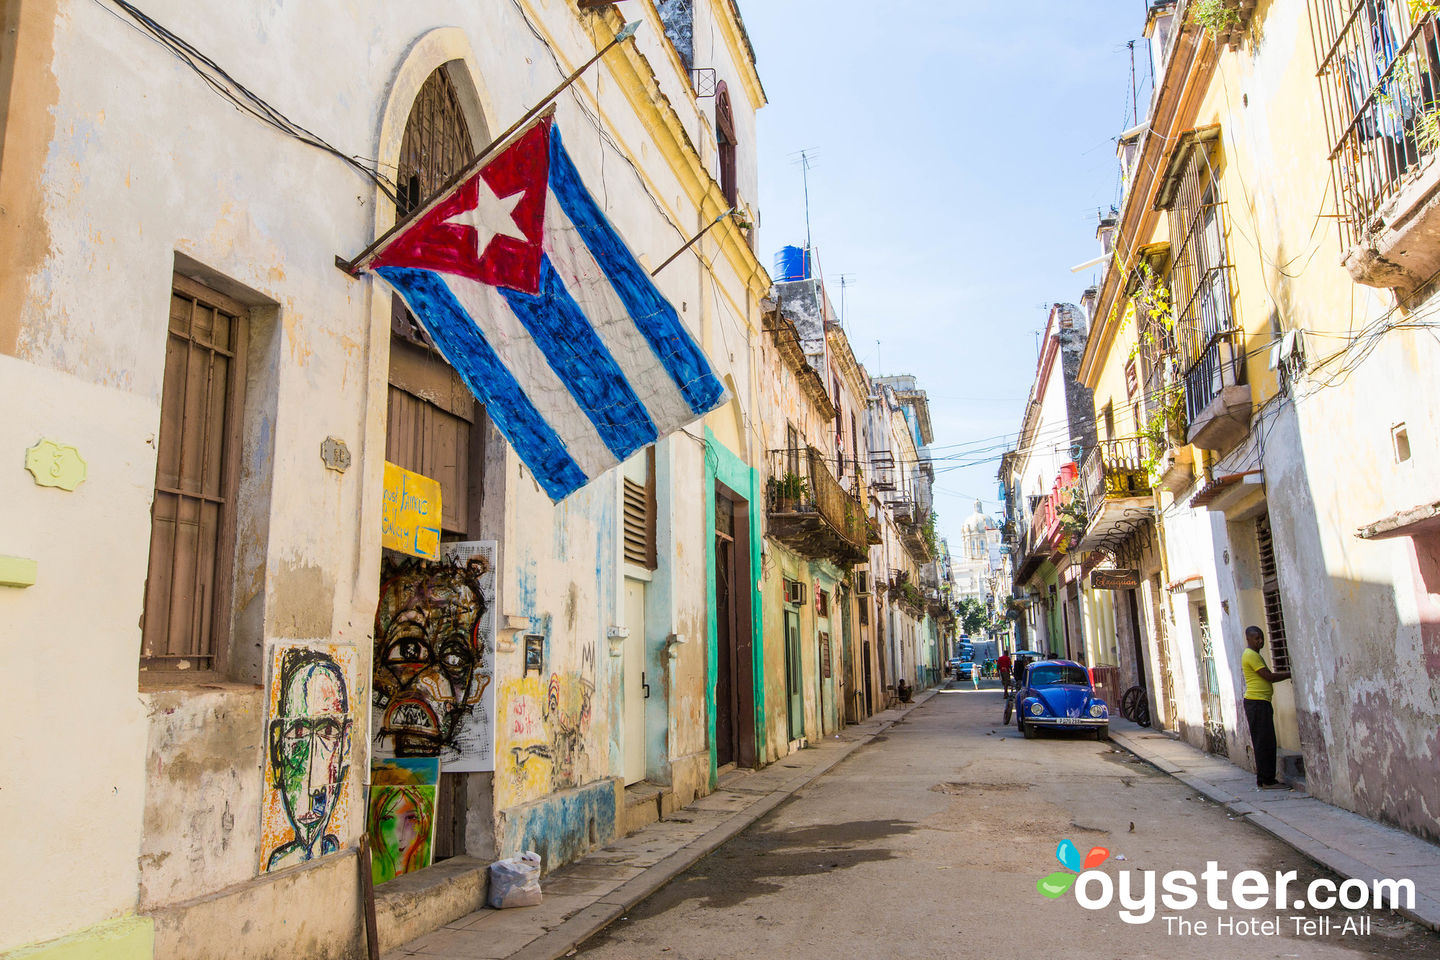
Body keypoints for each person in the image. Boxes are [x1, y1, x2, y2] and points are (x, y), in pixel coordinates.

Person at [1241, 625, 1291, 790]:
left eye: (1261, 638)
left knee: (1267, 741)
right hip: (1257, 703)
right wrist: (1290, 673)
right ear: (1248, 639)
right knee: (1264, 742)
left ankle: (1266, 779)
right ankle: (1266, 780)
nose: (1260, 641)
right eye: (1256, 638)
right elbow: (1268, 677)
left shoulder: (1254, 655)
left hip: (1260, 702)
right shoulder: (1251, 655)